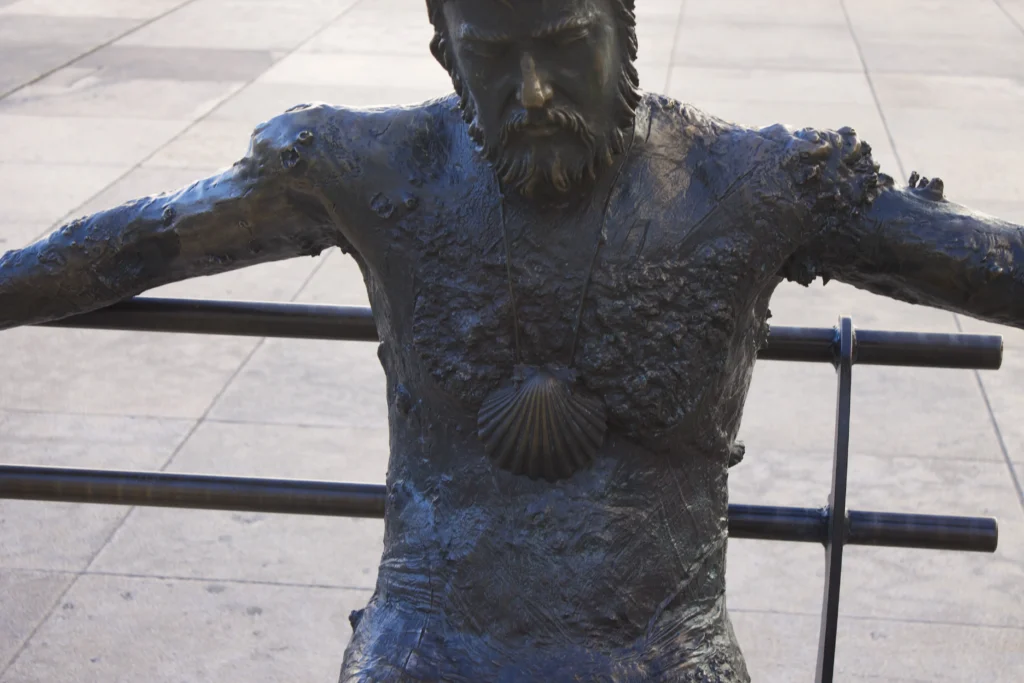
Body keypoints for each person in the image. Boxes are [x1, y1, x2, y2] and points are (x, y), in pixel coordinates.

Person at [1, 1, 1022, 680]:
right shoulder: (367, 166)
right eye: (493, 57)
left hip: (662, 658)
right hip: (427, 651)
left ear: (623, 25)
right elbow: (130, 244)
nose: (532, 91)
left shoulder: (751, 185)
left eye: (563, 44)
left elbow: (984, 262)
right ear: (445, 52)